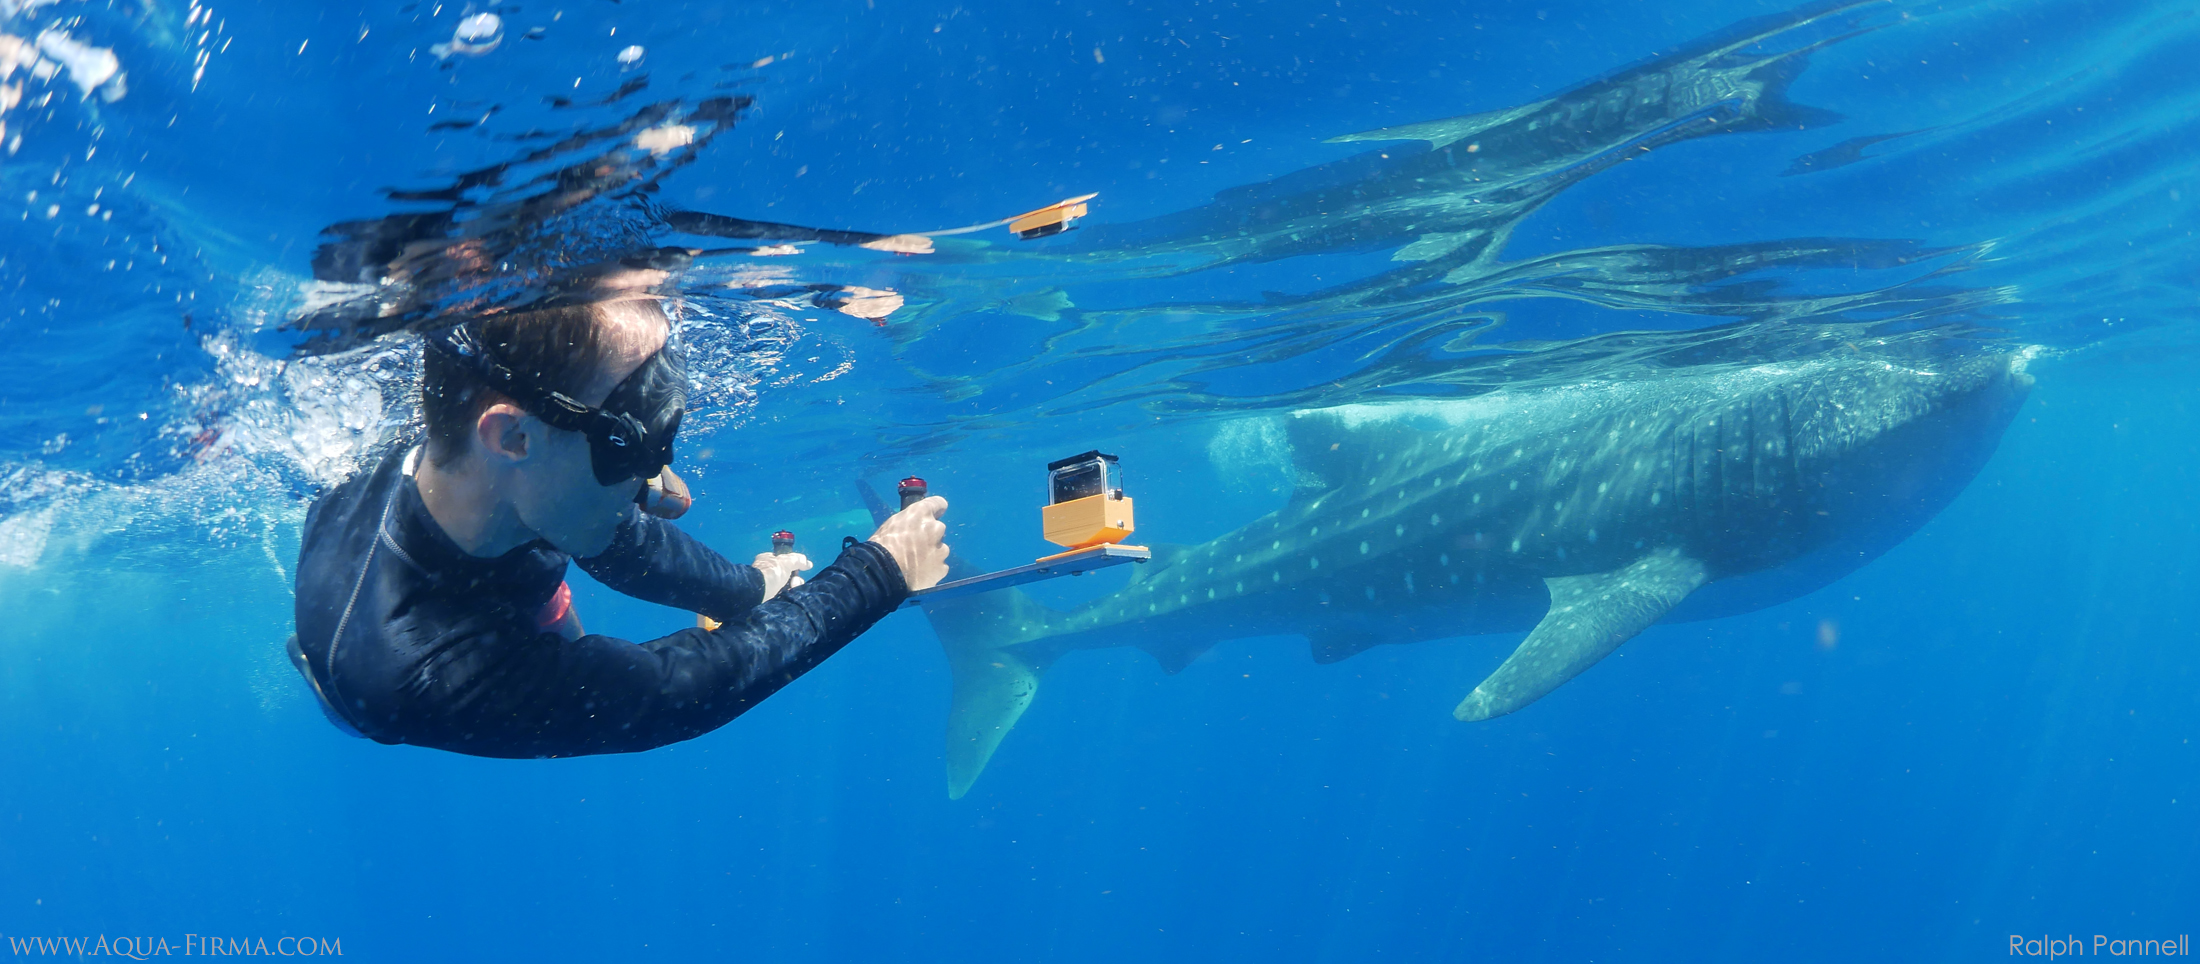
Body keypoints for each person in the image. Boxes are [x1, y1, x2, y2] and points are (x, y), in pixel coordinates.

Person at [288, 295, 950, 757]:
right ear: (512, 436)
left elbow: (612, 534)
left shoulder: (496, 467)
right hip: (361, 682)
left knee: (585, 515)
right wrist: (881, 569)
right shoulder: (416, 670)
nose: (658, 475)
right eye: (632, 443)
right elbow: (682, 691)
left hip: (503, 538)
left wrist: (750, 589)